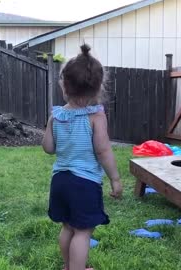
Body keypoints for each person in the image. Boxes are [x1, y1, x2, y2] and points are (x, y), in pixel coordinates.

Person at [42, 44, 123, 270]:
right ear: (97, 89)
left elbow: (48, 148)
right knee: (83, 231)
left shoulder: (56, 116)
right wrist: (115, 178)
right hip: (84, 182)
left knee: (67, 227)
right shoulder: (96, 116)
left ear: (64, 86)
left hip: (60, 181)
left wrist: (50, 127)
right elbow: (103, 150)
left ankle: (68, 266)